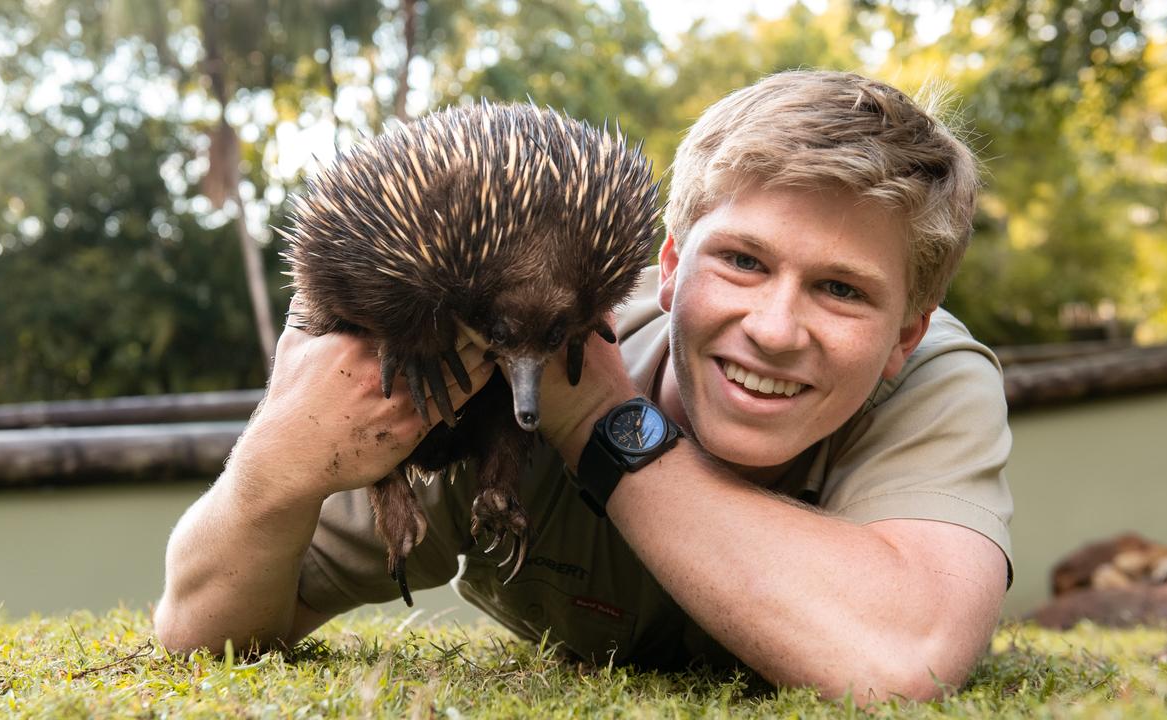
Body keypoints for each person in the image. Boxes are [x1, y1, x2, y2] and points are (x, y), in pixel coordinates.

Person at [155, 69, 1012, 705]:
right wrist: (272, 468)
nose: (776, 330)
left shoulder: (933, 384)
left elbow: (908, 658)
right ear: (668, 268)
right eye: (743, 261)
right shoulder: (463, 365)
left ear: (906, 331)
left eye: (842, 289)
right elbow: (208, 635)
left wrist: (601, 421)